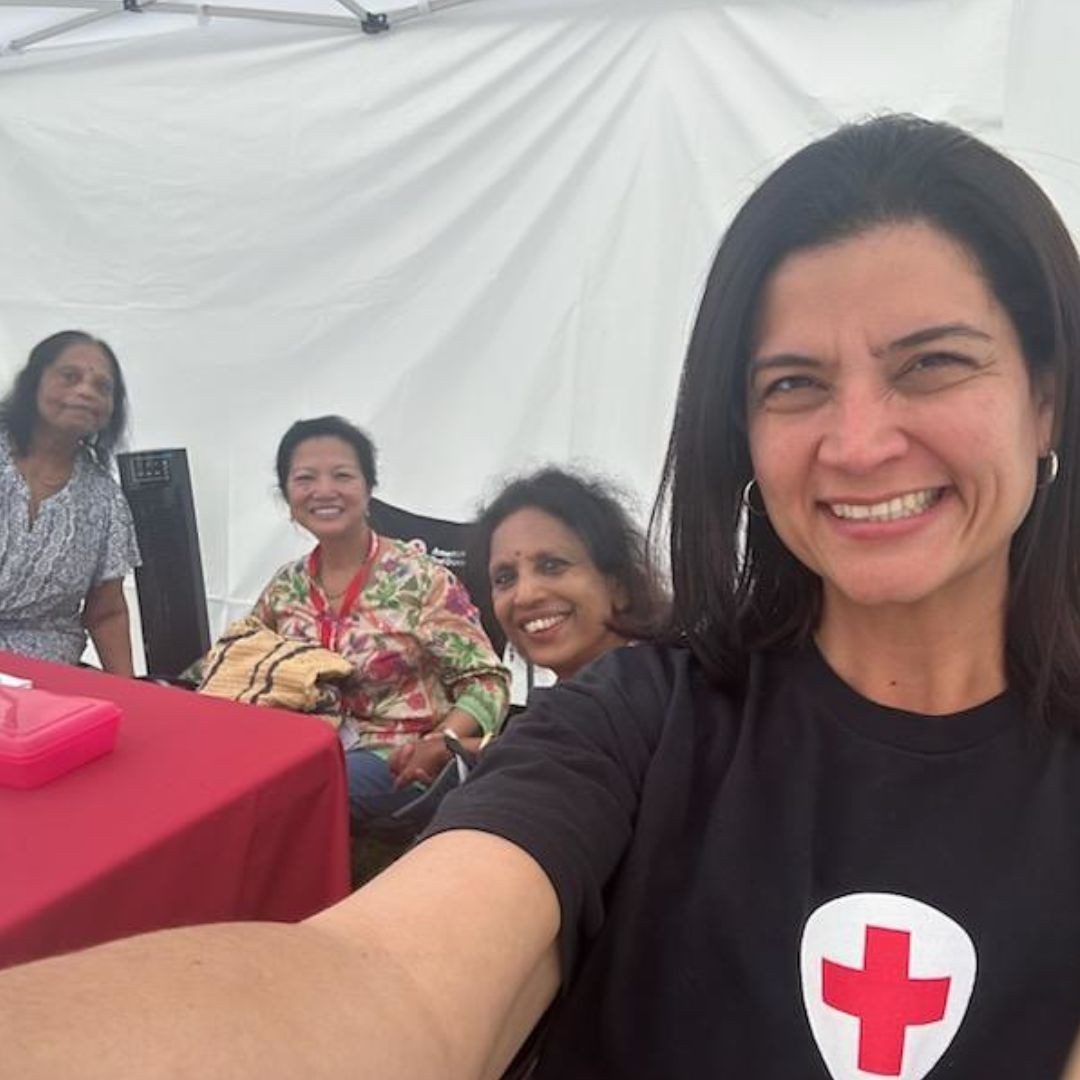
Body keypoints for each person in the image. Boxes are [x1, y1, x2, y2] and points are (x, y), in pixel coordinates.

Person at [3, 113, 1080, 1079]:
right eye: (793, 384)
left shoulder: (420, 582)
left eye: (933, 363)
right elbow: (386, 982)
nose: (857, 442)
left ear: (1046, 402)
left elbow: (470, 683)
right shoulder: (636, 723)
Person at [257, 416, 509, 823]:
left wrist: (440, 742)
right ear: (287, 496)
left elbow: (488, 681)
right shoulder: (284, 587)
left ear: (368, 488)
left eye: (342, 475)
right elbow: (244, 666)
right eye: (305, 478)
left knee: (298, 794)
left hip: (398, 753)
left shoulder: (421, 579)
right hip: (302, 748)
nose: (324, 490)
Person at [0, 330, 140, 675]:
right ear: (34, 382)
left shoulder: (105, 500)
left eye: (103, 388)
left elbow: (106, 612)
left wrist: (129, 696)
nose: (85, 392)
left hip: (44, 678)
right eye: (69, 376)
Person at [474, 466, 666, 680]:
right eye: (504, 578)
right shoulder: (570, 705)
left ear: (617, 585)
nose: (525, 596)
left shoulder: (669, 696)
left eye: (551, 566)